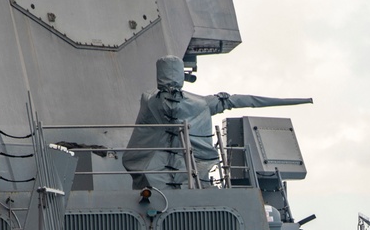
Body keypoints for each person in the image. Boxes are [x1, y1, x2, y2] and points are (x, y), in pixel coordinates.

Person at [122, 56, 311, 189]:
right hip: (192, 173)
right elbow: (242, 100)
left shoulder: (148, 100)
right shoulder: (201, 104)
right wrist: (291, 100)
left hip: (153, 173)